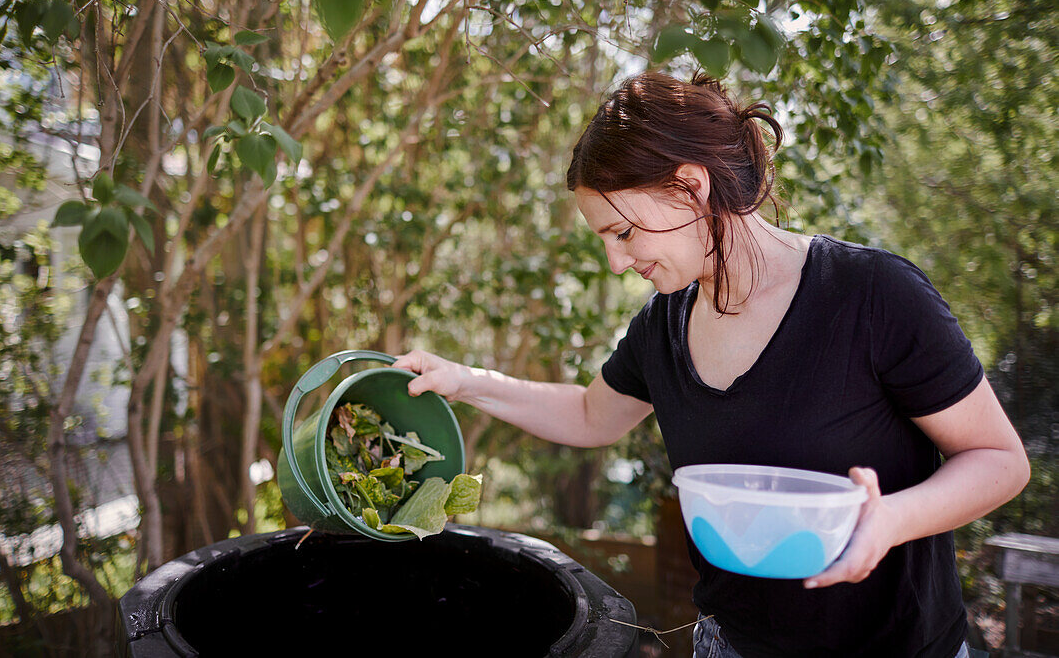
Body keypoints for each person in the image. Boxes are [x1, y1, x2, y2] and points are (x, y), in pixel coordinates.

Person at [392, 71, 1030, 658]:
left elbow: (1000, 461)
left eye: (623, 232)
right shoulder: (661, 326)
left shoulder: (871, 295)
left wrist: (892, 518)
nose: (617, 262)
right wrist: (465, 382)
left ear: (690, 188)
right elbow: (591, 415)